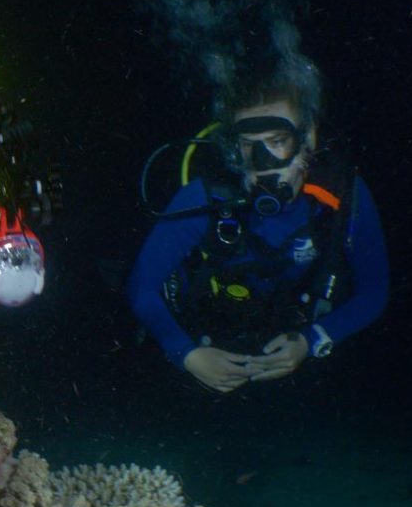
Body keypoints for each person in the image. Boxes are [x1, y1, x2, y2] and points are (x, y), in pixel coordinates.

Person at [127, 65, 389, 393]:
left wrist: (313, 340)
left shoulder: (343, 196)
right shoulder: (204, 196)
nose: (264, 163)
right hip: (207, 346)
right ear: (234, 149)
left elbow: (375, 290)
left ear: (307, 139)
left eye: (278, 141)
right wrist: (187, 354)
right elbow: (142, 285)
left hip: (301, 363)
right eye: (251, 145)